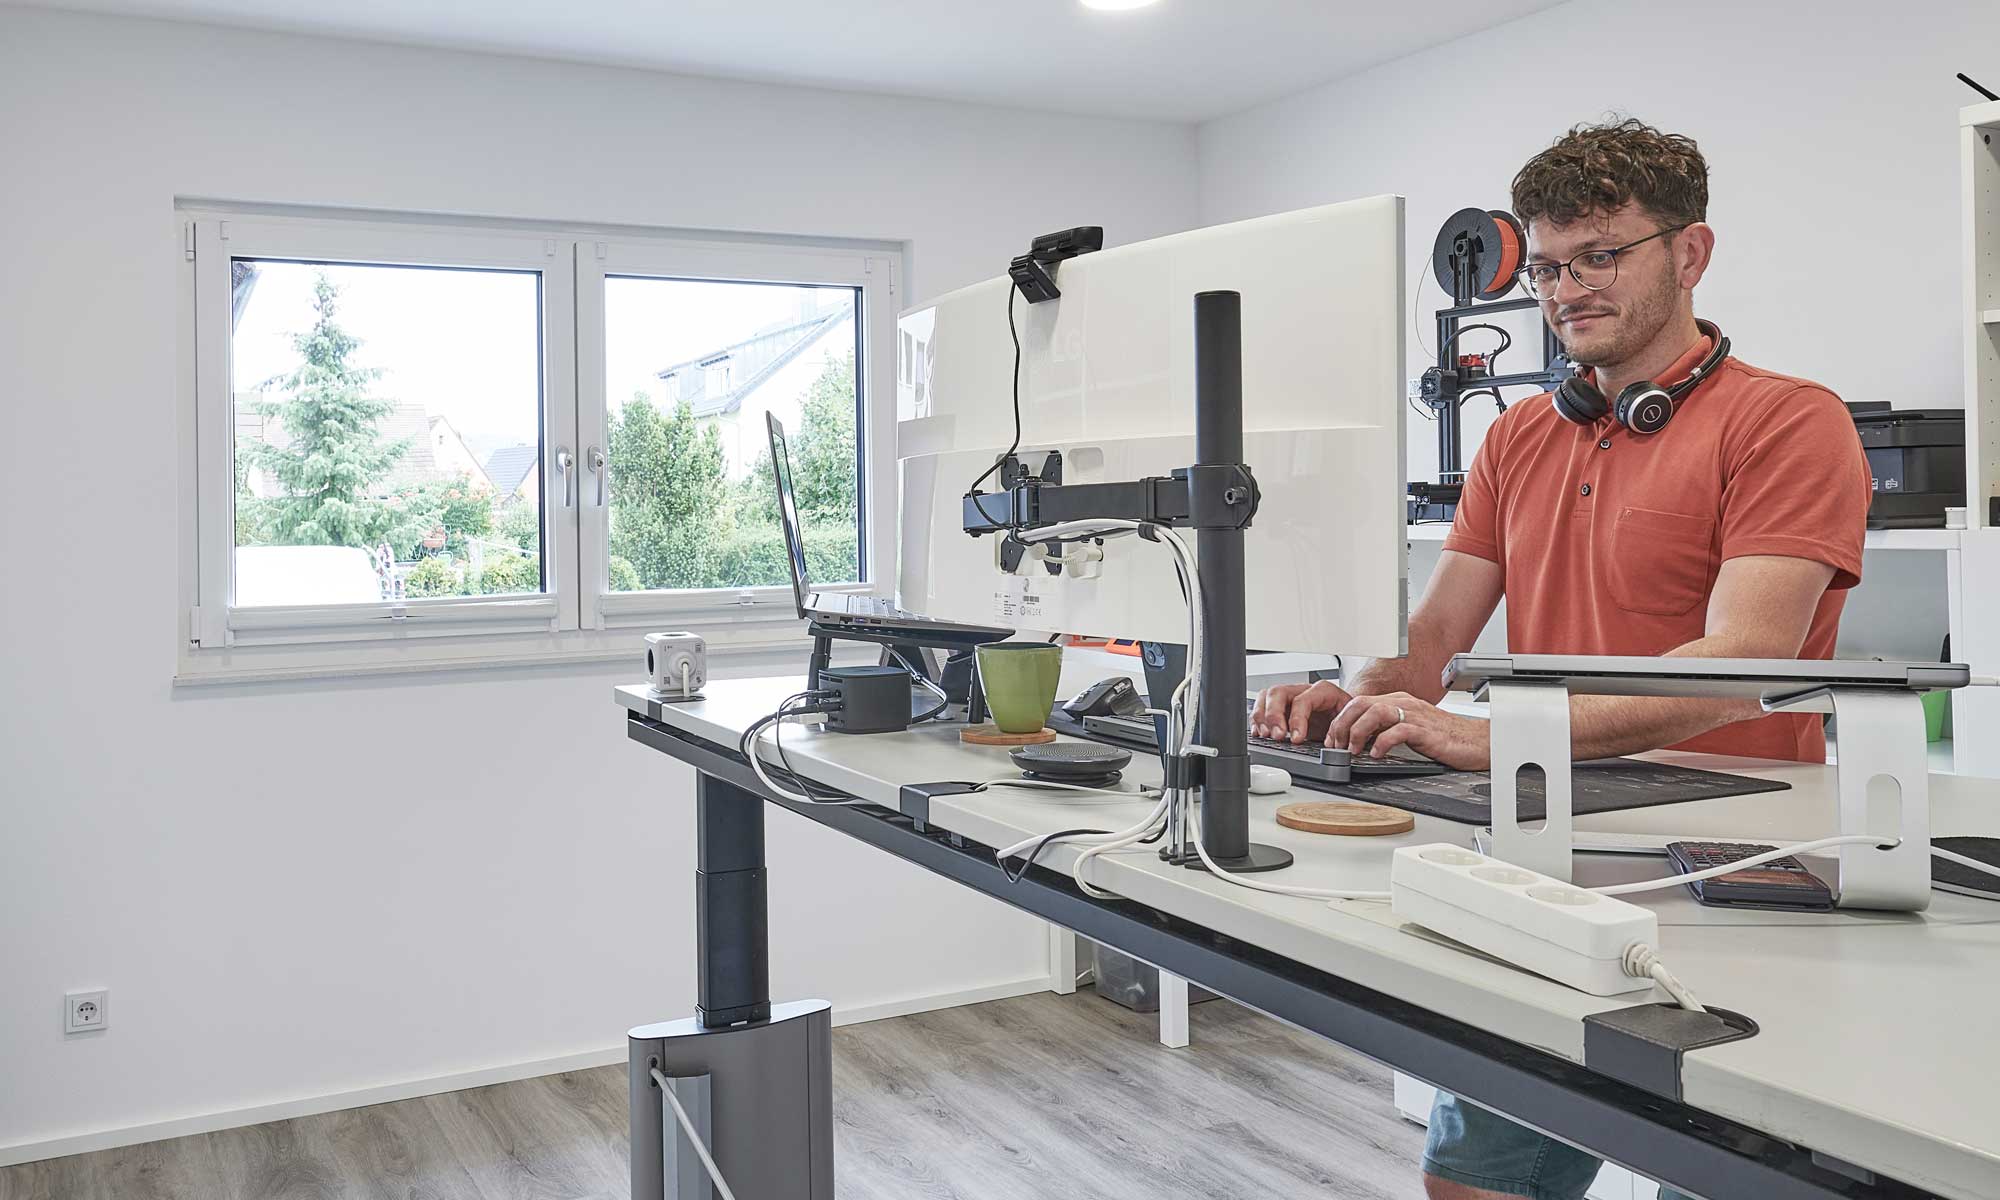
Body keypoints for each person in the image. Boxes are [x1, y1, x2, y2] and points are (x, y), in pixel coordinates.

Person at [1251, 119, 1871, 1200]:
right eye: (1546, 264)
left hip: (1730, 870)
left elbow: (1741, 662)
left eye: (1600, 255)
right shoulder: (1515, 438)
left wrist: (1492, 734)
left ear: (1689, 253)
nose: (1564, 288)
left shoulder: (1787, 422)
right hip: (1539, 849)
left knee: (1717, 1173)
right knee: (1477, 1178)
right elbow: (1432, 643)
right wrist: (1351, 697)